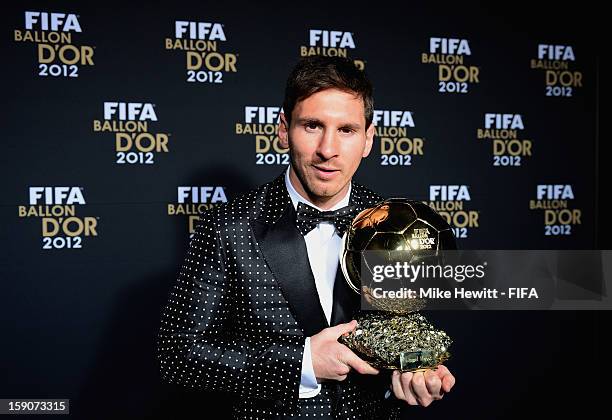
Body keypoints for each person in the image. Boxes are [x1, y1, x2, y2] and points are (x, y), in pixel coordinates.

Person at [157, 55, 455, 419]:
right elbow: (178, 355)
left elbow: (401, 331)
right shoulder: (226, 226)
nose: (328, 149)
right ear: (283, 129)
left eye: (346, 130)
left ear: (368, 139)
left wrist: (418, 368)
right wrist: (302, 362)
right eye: (312, 126)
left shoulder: (392, 221)